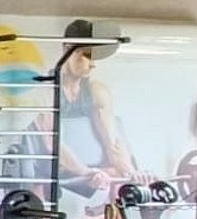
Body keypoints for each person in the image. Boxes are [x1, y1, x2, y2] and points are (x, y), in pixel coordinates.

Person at [57, 34, 141, 193]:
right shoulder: (48, 91)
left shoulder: (96, 91)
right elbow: (52, 144)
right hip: (56, 172)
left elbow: (112, 142)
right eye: (87, 55)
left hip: (91, 170)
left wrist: (131, 174)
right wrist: (88, 173)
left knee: (116, 173)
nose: (93, 64)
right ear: (68, 50)